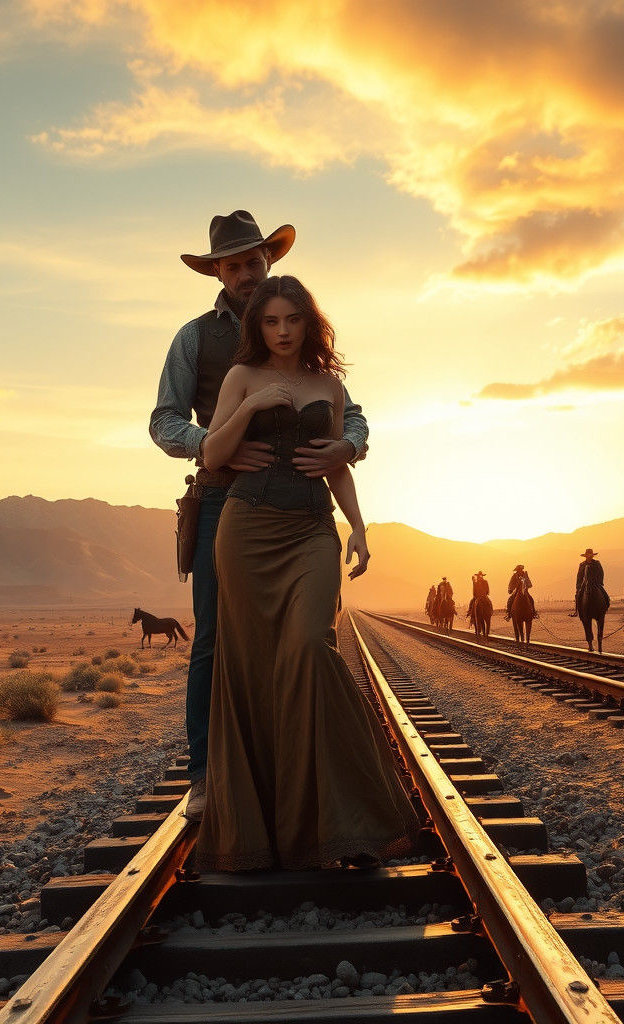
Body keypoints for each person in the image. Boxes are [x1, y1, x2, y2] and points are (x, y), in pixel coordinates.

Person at [149, 212, 369, 821]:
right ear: (216, 271)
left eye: (255, 261)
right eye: (233, 264)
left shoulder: (294, 328)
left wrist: (345, 446)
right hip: (226, 500)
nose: (246, 273)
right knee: (215, 641)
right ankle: (204, 777)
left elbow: (350, 414)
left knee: (301, 642)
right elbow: (162, 420)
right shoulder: (195, 338)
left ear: (268, 263)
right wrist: (213, 442)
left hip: (301, 505)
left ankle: (291, 778)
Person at [194, 275, 418, 871]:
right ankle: (268, 830)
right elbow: (213, 456)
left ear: (308, 322)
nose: (283, 331)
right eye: (271, 321)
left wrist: (361, 528)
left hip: (312, 530)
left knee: (307, 650)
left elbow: (335, 464)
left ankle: (344, 818)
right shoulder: (242, 378)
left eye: (292, 319)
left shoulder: (330, 386)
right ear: (257, 326)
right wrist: (248, 407)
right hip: (245, 529)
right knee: (249, 667)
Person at [574, 548, 609, 614]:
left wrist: (600, 582)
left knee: (605, 594)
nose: (589, 556)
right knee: (578, 595)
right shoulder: (582, 565)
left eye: (590, 555)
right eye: (588, 555)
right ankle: (577, 610)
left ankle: (606, 606)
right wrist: (578, 586)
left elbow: (601, 573)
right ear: (586, 556)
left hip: (596, 582)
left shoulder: (597, 564)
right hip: (584, 583)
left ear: (592, 556)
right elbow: (579, 576)